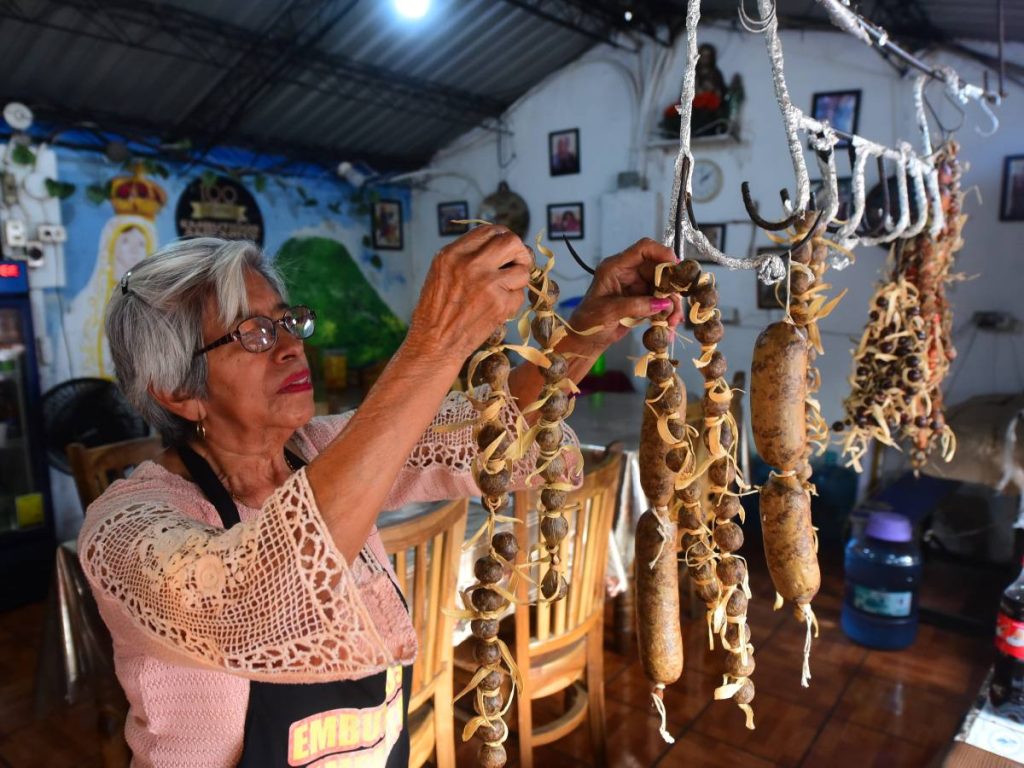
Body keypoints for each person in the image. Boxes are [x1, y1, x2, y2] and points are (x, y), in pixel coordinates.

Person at [78, 229, 682, 767]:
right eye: (255, 333)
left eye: (288, 322)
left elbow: (494, 430)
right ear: (176, 390)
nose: (291, 346)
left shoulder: (317, 449)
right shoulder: (124, 528)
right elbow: (261, 594)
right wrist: (434, 344)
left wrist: (592, 325)